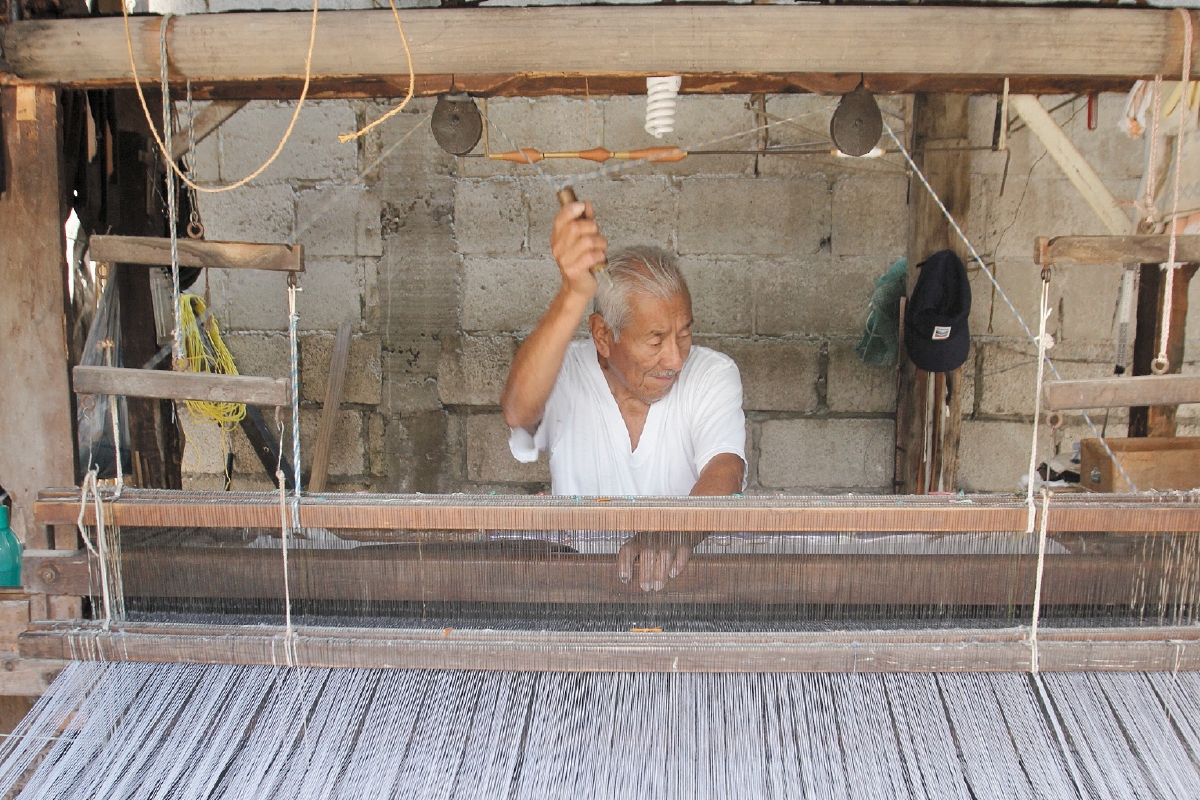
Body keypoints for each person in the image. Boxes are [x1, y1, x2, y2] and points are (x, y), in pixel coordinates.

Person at [500, 199, 746, 592]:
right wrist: (572, 293)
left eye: (684, 333)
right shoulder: (565, 373)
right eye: (655, 341)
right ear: (602, 336)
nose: (676, 358)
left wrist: (672, 533)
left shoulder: (712, 373)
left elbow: (725, 470)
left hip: (687, 591)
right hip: (582, 592)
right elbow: (518, 412)